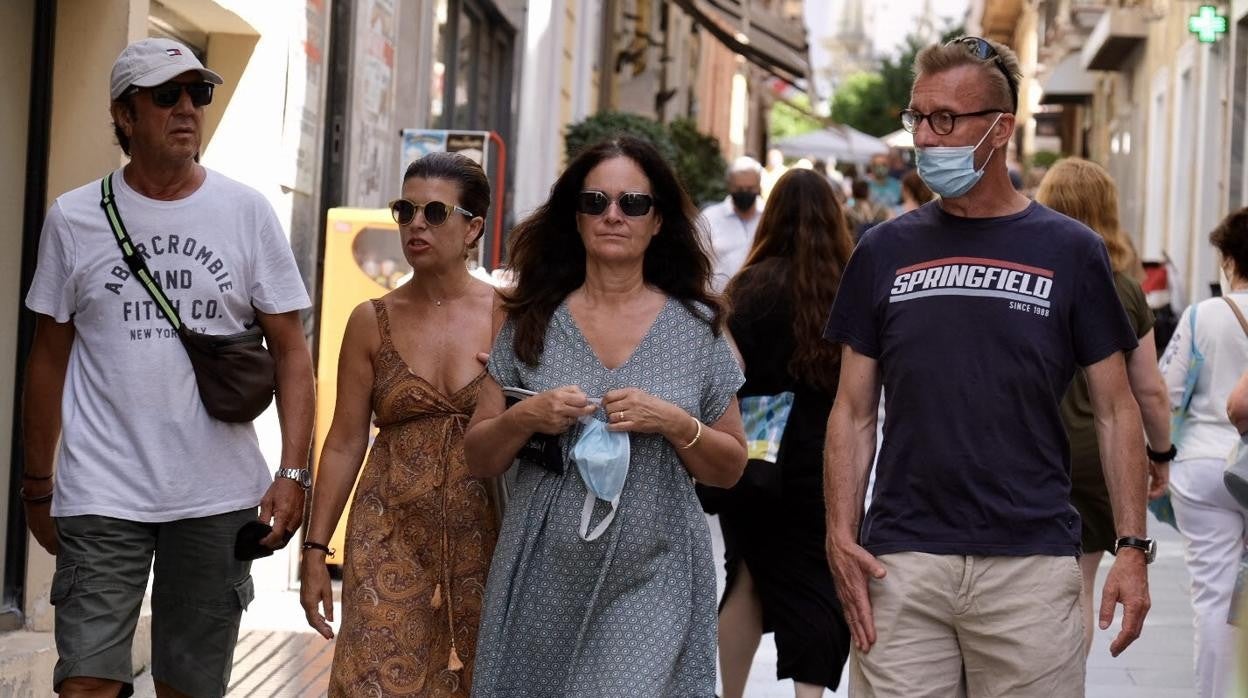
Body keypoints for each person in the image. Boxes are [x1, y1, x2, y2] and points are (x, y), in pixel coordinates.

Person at [823, 36, 1151, 696]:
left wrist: (1131, 549)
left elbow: (1118, 408)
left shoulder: (1072, 251)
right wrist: (839, 535)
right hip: (903, 561)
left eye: (946, 119)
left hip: (1029, 563)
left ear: (1001, 129)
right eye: (918, 117)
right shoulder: (882, 251)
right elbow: (854, 410)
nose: (926, 136)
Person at [21, 38, 314, 697]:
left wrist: (294, 471)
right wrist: (38, 484)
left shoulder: (246, 213)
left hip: (214, 495)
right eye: (166, 95)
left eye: (198, 94)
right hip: (102, 489)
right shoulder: (73, 219)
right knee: (85, 682)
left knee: (188, 687)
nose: (187, 108)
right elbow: (47, 360)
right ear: (124, 115)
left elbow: (293, 352)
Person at [463, 136, 747, 696]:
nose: (612, 215)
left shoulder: (695, 329)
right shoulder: (531, 322)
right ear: (575, 217)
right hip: (544, 571)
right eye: (595, 202)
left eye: (632, 204)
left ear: (658, 220)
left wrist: (673, 421)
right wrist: (527, 418)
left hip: (654, 569)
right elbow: (478, 455)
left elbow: (730, 466)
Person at [300, 152, 500, 696]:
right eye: (405, 210)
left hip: (487, 542)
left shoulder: (510, 314)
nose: (416, 223)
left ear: (472, 228)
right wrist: (316, 551)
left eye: (435, 212)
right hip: (387, 538)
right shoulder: (371, 320)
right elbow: (343, 442)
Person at [715, 168, 854, 698]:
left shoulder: (747, 287)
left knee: (746, 576)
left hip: (753, 455)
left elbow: (726, 373)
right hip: (824, 453)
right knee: (816, 582)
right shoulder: (846, 286)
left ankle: (729, 693)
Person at [1035, 157, 1174, 656]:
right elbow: (1150, 391)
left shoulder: (1030, 280)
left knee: (1025, 590)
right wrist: (1161, 454)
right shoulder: (1126, 291)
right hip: (1098, 455)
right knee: (1080, 588)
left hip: (1033, 450)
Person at [1158, 207, 1248, 698]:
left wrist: (1156, 457)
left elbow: (1166, 393)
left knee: (1213, 598)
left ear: (1230, 260)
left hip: (1205, 466)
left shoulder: (1202, 316)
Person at [701, 156, 763, 293]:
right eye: (739, 188)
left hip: (761, 304)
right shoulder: (710, 217)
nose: (745, 193)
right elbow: (696, 262)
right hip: (717, 304)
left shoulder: (769, 217)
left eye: (750, 188)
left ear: (759, 185)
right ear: (729, 185)